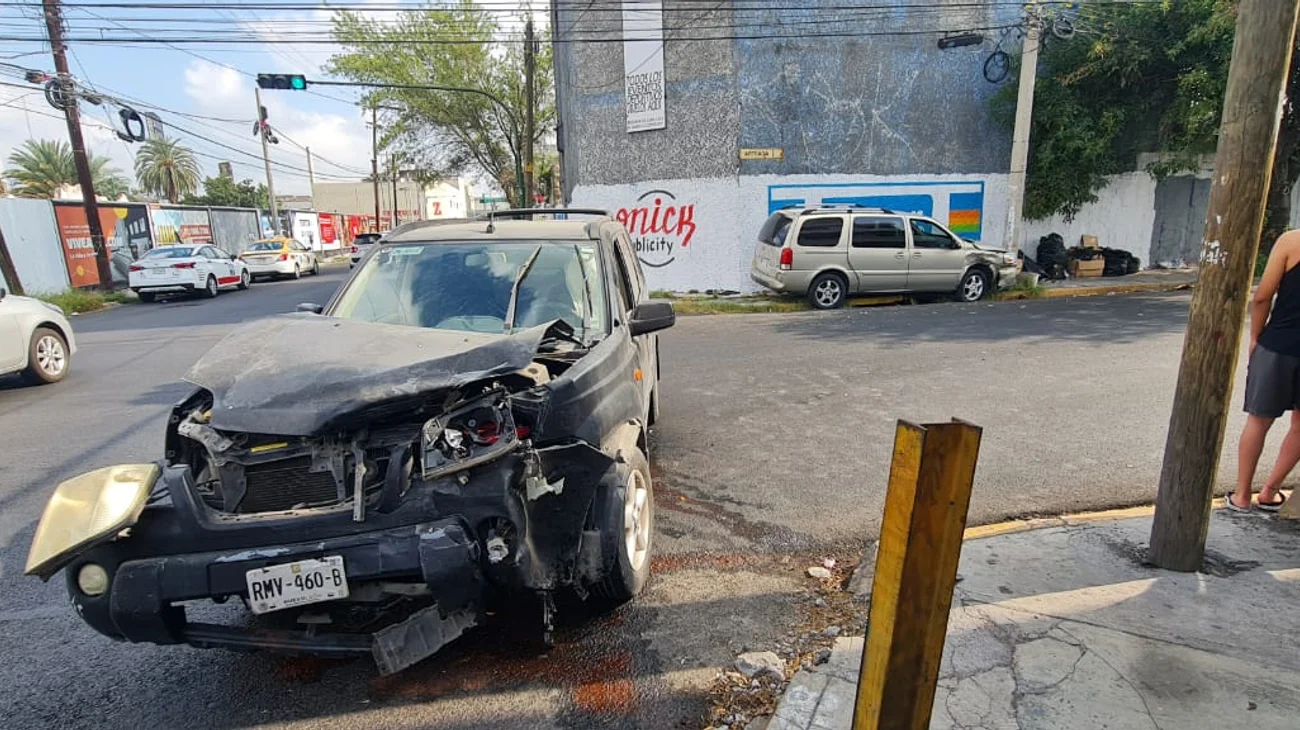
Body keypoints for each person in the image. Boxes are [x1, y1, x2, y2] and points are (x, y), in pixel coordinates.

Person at [1228, 229, 1300, 512]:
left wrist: (1256, 337)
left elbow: (1262, 297)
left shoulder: (1292, 241)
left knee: (1258, 421)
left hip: (1278, 345)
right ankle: (1270, 491)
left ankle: (1242, 495)